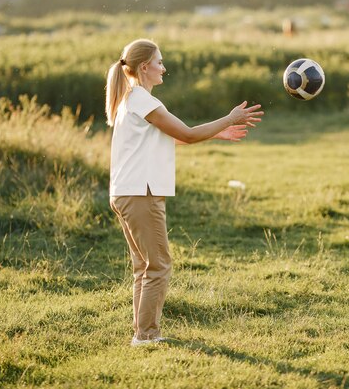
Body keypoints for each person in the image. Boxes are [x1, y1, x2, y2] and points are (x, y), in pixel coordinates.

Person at [105, 39, 264, 346]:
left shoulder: (132, 100)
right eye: (160, 62)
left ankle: (143, 333)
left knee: (145, 267)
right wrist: (229, 118)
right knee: (159, 265)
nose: (164, 68)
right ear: (144, 67)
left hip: (127, 192)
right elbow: (188, 134)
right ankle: (146, 336)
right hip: (141, 194)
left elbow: (170, 138)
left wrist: (217, 132)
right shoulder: (142, 100)